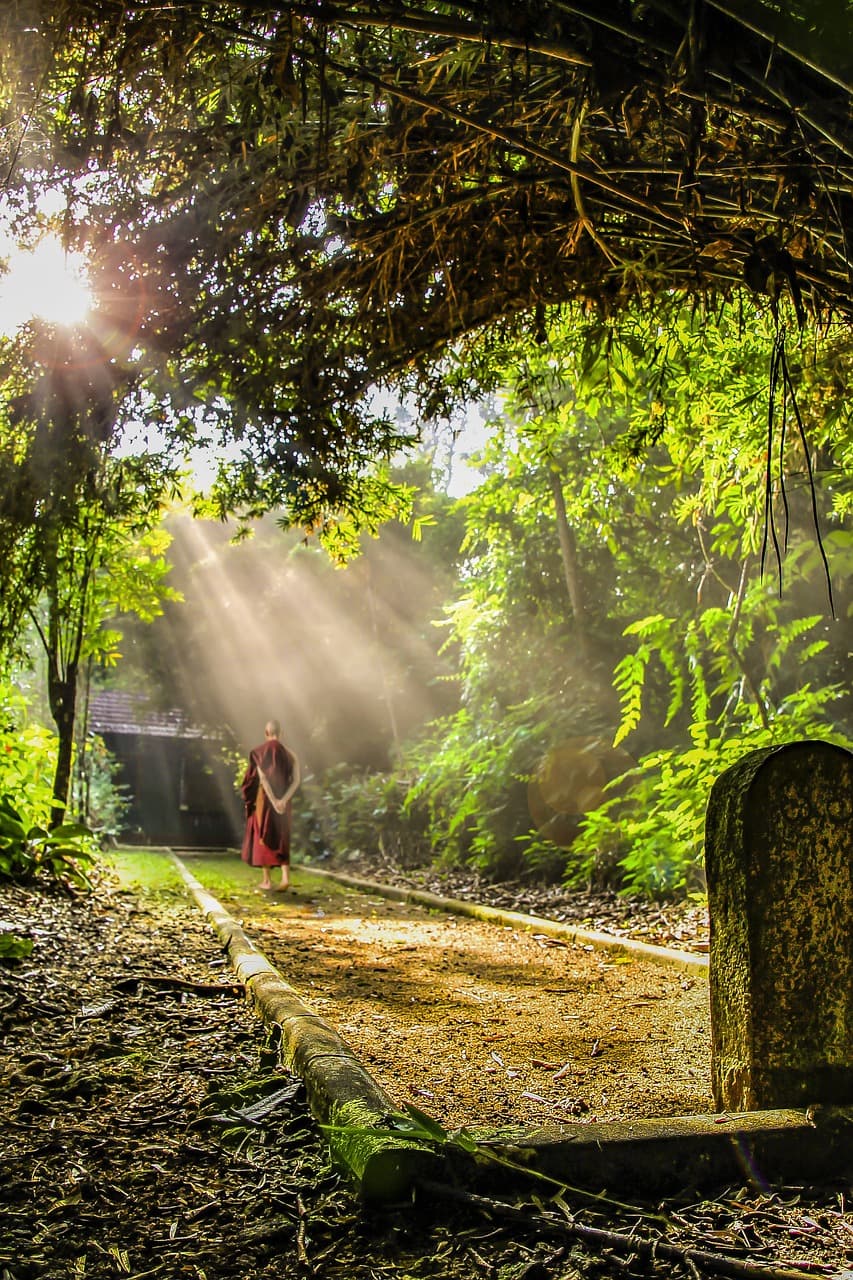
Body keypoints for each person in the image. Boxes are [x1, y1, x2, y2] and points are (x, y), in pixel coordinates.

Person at [240, 719, 300, 891]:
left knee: (263, 834)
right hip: (284, 800)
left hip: (265, 800)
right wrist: (283, 800)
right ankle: (285, 878)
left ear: (266, 733)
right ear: (282, 733)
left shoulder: (260, 753)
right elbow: (296, 781)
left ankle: (267, 881)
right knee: (282, 835)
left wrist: (273, 801)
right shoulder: (291, 754)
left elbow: (263, 779)